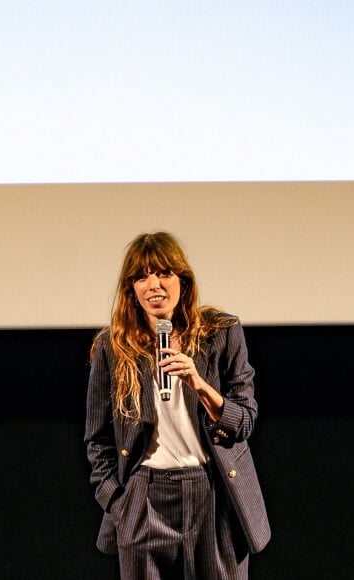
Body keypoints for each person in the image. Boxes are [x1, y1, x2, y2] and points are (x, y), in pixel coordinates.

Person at [85, 232, 270, 579]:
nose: (154, 284)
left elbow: (243, 422)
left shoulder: (221, 333)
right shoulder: (113, 347)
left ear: (183, 281)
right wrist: (119, 503)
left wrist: (198, 383)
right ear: (131, 291)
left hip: (210, 491)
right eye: (141, 277)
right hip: (145, 496)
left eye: (164, 273)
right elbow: (97, 440)